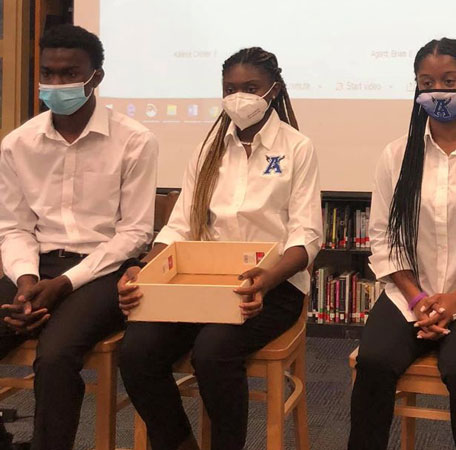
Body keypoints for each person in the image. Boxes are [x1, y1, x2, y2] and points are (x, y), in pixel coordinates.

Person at [117, 47, 322, 450]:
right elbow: (178, 225)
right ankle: (178, 443)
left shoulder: (297, 148)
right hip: (203, 285)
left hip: (273, 287)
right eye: (231, 88)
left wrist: (267, 279)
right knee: (136, 351)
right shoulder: (207, 149)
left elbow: (307, 236)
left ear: (273, 90)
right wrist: (145, 268)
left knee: (212, 353)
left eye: (251, 87)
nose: (239, 97)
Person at [347, 37, 456, 450]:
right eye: (426, 82)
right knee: (374, 362)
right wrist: (417, 299)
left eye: (449, 80)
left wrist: (455, 301)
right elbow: (383, 237)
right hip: (411, 296)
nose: (438, 91)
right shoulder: (396, 156)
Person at [0, 24, 158, 450]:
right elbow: (14, 227)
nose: (56, 84)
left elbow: (135, 233)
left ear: (96, 77)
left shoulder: (135, 141)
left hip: (105, 272)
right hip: (37, 268)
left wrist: (66, 283)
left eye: (69, 74)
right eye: (48, 74)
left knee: (54, 356)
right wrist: (26, 281)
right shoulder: (19, 143)